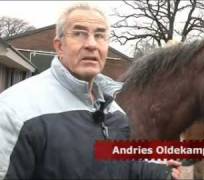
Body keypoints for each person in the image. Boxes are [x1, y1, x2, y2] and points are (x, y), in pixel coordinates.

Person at [0, 4, 181, 179]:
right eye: (79, 33)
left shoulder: (114, 112)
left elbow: (125, 166)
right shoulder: (15, 111)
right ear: (59, 46)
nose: (91, 44)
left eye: (100, 35)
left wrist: (164, 174)